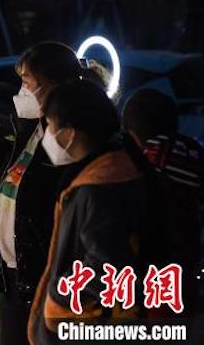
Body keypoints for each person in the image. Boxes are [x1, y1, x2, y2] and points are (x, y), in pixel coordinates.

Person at [0, 42, 85, 345]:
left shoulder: (70, 140)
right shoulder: (31, 132)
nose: (21, 90)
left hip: (48, 280)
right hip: (16, 277)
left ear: (54, 85)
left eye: (27, 82)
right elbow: (4, 198)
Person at [28, 80, 148, 345]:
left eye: (50, 125)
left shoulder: (99, 187)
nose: (47, 134)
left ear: (71, 132)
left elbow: (106, 268)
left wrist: (59, 300)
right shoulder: (110, 171)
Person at [122, 88, 203, 313]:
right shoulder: (191, 152)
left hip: (155, 266)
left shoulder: (140, 163)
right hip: (187, 260)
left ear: (132, 134)